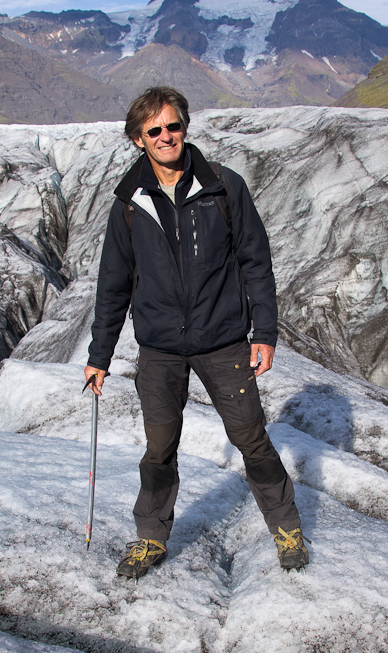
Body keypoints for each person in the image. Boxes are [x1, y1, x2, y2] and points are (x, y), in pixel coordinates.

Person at [84, 86, 309, 578]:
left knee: (251, 439)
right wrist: (100, 354)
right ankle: (151, 538)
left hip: (223, 342)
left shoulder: (224, 187)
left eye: (174, 125)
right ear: (138, 140)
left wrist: (264, 332)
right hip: (161, 350)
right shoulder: (129, 202)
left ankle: (286, 528)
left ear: (185, 127)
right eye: (154, 130)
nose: (167, 136)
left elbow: (256, 262)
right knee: (159, 449)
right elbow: (113, 283)